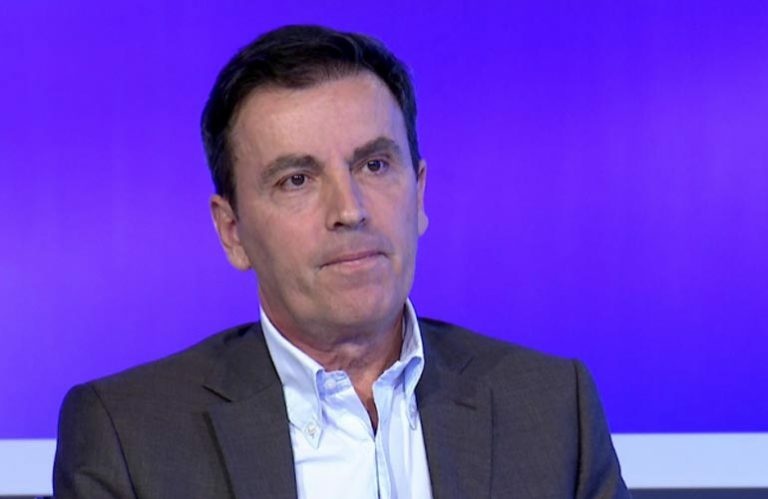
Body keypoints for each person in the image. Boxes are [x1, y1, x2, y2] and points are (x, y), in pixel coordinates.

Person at [53, 24, 630, 498]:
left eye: (374, 165)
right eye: (296, 179)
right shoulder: (129, 438)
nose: (350, 210)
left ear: (419, 194)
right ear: (232, 232)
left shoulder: (554, 409)